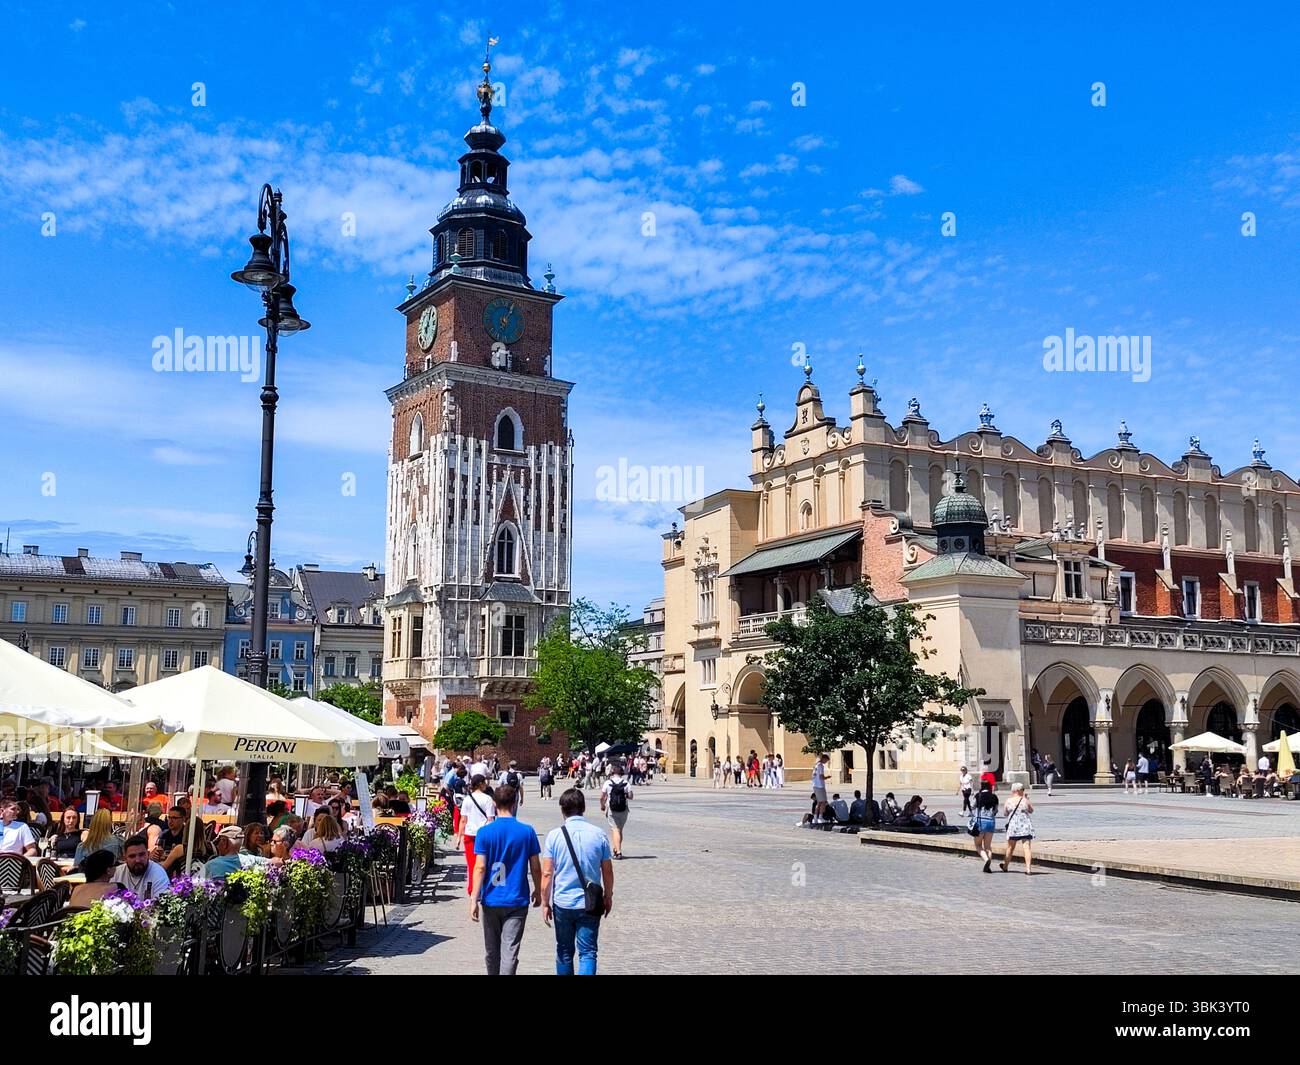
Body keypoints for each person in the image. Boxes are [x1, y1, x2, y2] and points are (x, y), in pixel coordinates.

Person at [469, 784, 542, 975]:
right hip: (517, 898)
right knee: (510, 951)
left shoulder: (484, 832)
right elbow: (535, 866)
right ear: (514, 803)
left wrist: (474, 899)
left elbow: (480, 867)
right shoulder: (527, 831)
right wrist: (538, 890)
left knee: (492, 951)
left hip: (491, 898)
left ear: (494, 804)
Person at [541, 788, 614, 976]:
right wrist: (608, 895)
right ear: (583, 808)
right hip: (590, 903)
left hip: (562, 902)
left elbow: (547, 873)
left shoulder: (554, 836)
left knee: (564, 952)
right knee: (588, 952)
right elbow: (607, 870)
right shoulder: (599, 834)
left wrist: (544, 902)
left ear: (562, 810)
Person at [455, 774, 496, 896]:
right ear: (481, 784)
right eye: (484, 783)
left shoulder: (467, 799)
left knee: (472, 863)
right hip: (484, 835)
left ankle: (473, 889)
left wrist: (458, 837)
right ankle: (484, 889)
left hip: (470, 834)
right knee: (485, 863)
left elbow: (463, 820)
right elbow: (490, 819)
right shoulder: (488, 799)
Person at [1000, 782, 1035, 875]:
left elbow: (1005, 813)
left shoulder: (1008, 801)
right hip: (1025, 826)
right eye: (1023, 790)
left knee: (1010, 847)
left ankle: (1005, 866)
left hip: (1013, 827)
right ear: (1018, 790)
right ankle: (1028, 869)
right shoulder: (1024, 800)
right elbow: (1031, 810)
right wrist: (1027, 800)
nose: (1023, 791)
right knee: (1026, 847)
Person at [600, 762, 633, 859]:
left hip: (612, 809)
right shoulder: (626, 783)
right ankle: (616, 848)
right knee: (619, 830)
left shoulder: (608, 782)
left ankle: (618, 852)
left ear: (612, 772)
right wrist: (625, 795)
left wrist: (602, 805)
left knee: (615, 829)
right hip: (624, 809)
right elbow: (631, 796)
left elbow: (602, 796)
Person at [972, 779, 999, 872]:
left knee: (978, 845)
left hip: (980, 823)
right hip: (991, 822)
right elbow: (996, 810)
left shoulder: (978, 796)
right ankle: (989, 865)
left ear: (981, 786)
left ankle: (986, 860)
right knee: (988, 846)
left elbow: (972, 806)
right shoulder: (994, 797)